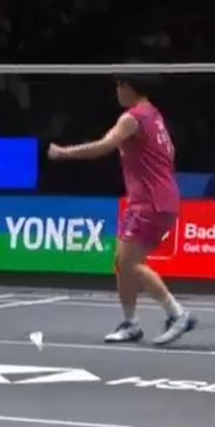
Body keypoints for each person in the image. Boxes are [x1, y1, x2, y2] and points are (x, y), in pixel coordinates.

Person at [48, 74, 197, 346]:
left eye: (119, 85)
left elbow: (104, 146)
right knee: (122, 262)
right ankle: (131, 323)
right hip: (150, 199)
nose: (117, 90)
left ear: (130, 87)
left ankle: (178, 314)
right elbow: (169, 154)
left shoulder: (132, 118)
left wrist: (63, 153)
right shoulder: (154, 115)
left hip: (151, 202)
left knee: (130, 263)